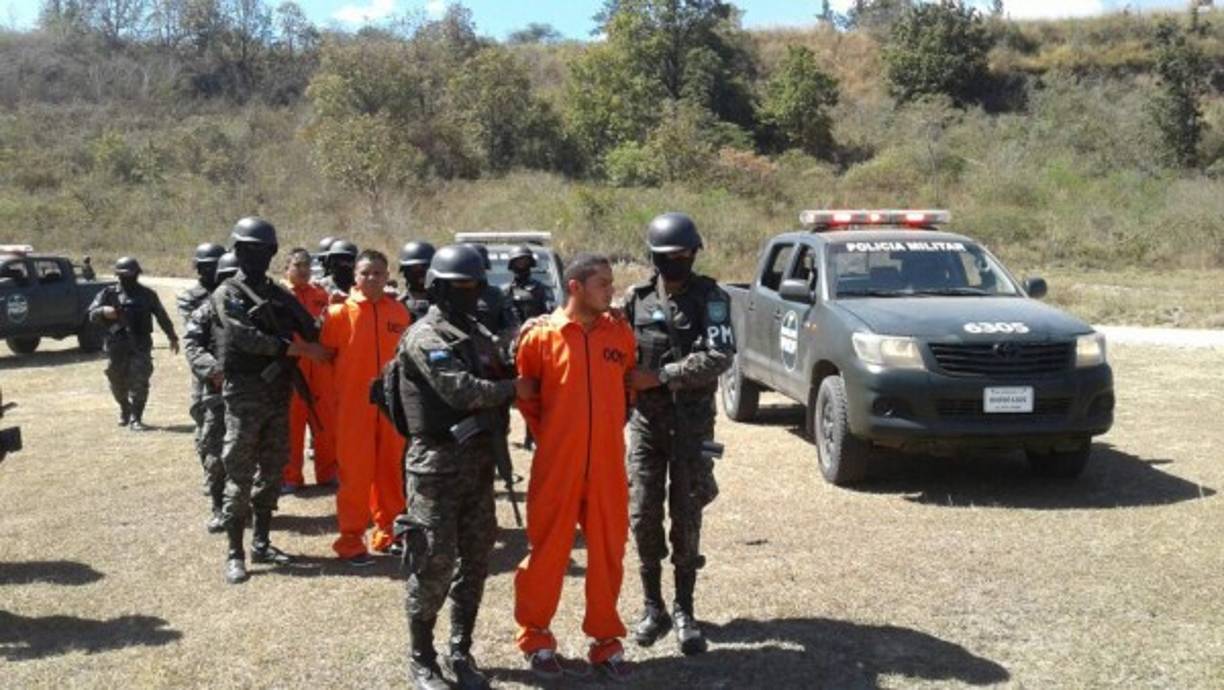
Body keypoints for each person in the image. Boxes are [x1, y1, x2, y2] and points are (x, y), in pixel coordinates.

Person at [396, 244, 538, 690]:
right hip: (436, 467)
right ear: (438, 287)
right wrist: (513, 389)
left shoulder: (473, 329)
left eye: (475, 285)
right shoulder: (425, 335)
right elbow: (459, 390)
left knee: (475, 561)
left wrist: (526, 334)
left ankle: (460, 648)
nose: (470, 293)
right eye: (460, 285)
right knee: (433, 563)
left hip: (477, 463)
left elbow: (503, 353)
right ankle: (422, 657)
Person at [513, 253, 637, 682]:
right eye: (602, 283)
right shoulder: (540, 337)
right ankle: (537, 639)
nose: (611, 290)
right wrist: (558, 437)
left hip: (607, 462)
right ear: (575, 287)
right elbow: (528, 396)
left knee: (608, 550)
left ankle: (606, 643)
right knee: (548, 550)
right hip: (557, 461)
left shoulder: (619, 332)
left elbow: (627, 382)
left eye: (611, 282)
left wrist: (602, 429)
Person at [623, 212, 735, 655]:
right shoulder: (636, 299)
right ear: (654, 257)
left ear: (695, 254)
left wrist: (663, 375)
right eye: (668, 256)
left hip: (691, 428)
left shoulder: (712, 298)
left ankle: (685, 608)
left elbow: (720, 354)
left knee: (687, 518)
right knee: (644, 515)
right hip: (647, 428)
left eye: (684, 255)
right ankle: (654, 607)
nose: (676, 262)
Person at [210, 217, 331, 585]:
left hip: (278, 393)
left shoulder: (279, 294)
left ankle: (261, 541)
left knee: (273, 469)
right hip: (244, 394)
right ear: (238, 252)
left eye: (263, 251)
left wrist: (334, 312)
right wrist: (291, 347)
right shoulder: (227, 293)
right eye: (249, 250)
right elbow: (241, 335)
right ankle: (236, 551)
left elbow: (311, 326)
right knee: (240, 473)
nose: (256, 256)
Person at [320, 249, 411, 565]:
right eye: (365, 273)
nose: (372, 278)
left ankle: (390, 533)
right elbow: (325, 358)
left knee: (391, 472)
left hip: (390, 407)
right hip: (353, 409)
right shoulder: (338, 314)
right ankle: (350, 543)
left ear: (387, 277)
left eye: (378, 273)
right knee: (355, 476)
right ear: (355, 277)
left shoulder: (399, 313)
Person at [183, 251, 240, 533]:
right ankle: (219, 508)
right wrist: (213, 370)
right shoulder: (205, 309)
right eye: (226, 278)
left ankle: (243, 506)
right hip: (215, 394)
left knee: (244, 454)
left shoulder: (254, 309)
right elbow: (192, 345)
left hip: (248, 394)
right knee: (214, 454)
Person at [87, 257, 180, 431]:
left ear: (137, 274)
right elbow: (91, 315)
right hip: (117, 345)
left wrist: (172, 336)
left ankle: (136, 418)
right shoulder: (108, 294)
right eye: (123, 275)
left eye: (130, 274)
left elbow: (161, 316)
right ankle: (125, 408)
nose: (127, 278)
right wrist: (103, 311)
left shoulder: (147, 295)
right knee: (116, 379)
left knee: (140, 381)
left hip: (140, 344)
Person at [282, 247, 338, 492]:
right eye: (297, 266)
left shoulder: (320, 293)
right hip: (294, 368)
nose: (303, 271)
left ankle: (328, 473)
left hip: (321, 367)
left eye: (306, 266)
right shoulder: (281, 295)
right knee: (292, 425)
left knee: (325, 423)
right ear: (287, 269)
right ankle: (291, 477)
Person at [178, 243, 227, 475]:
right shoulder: (191, 297)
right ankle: (211, 474)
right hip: (206, 370)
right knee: (205, 422)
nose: (213, 271)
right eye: (207, 267)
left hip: (232, 367)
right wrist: (212, 370)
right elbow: (194, 335)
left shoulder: (233, 290)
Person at [501, 245, 555, 323]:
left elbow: (550, 312)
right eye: (518, 262)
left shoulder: (541, 289)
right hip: (513, 332)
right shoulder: (505, 291)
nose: (522, 265)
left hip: (536, 330)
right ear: (512, 265)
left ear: (530, 263)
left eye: (525, 262)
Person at [398, 241, 436, 321]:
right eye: (415, 268)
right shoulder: (397, 304)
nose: (421, 273)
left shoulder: (444, 303)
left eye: (425, 267)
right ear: (405, 271)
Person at [319, 239, 358, 304]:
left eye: (348, 261)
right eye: (338, 261)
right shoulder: (321, 287)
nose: (344, 264)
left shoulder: (361, 286)